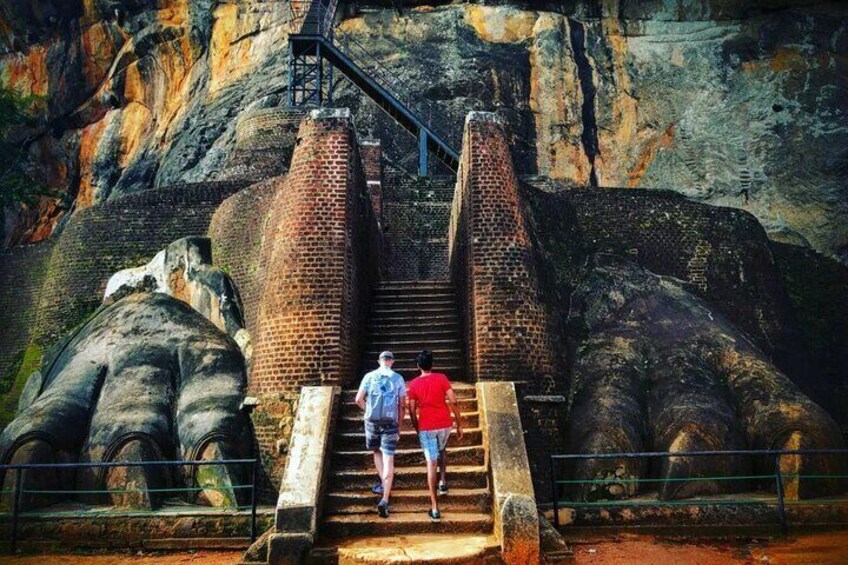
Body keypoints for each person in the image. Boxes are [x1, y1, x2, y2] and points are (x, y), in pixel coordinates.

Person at [407, 350, 463, 522]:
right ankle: (443, 482)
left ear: (418, 366)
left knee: (431, 463)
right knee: (443, 448)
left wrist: (417, 428)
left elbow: (411, 410)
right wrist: (459, 424)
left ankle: (435, 508)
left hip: (427, 426)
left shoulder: (414, 384)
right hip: (444, 423)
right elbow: (453, 401)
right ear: (432, 364)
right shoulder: (442, 378)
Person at [355, 350, 407, 518]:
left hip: (372, 422)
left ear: (380, 361)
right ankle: (385, 499)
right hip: (391, 422)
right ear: (392, 361)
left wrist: (368, 411)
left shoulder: (369, 376)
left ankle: (384, 484)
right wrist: (399, 426)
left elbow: (358, 399)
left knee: (376, 451)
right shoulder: (397, 378)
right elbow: (402, 406)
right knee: (389, 457)